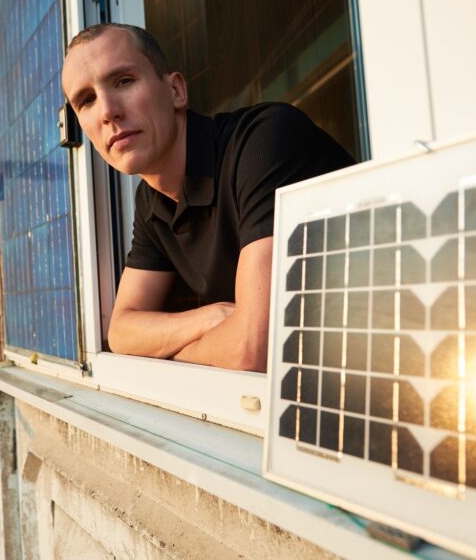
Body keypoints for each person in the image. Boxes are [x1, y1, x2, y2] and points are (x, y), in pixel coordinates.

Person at [61, 23, 354, 372]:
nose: (108, 110)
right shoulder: (152, 201)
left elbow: (253, 349)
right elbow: (122, 331)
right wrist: (211, 318)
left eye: (124, 81)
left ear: (176, 91)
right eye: (87, 100)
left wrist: (173, 352)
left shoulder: (264, 141)